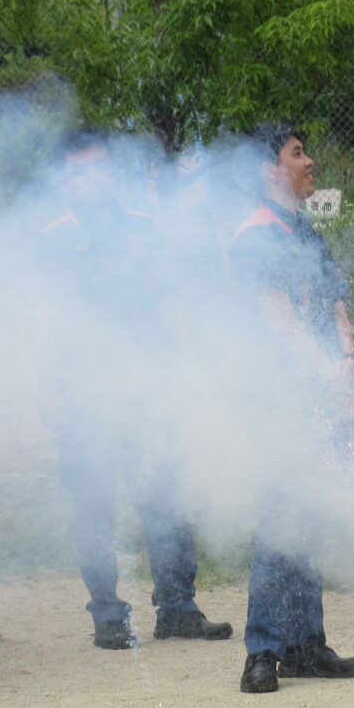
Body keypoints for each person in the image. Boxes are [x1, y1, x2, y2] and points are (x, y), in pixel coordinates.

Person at [39, 129, 231, 650]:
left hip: (148, 388)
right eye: (80, 171)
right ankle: (108, 614)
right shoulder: (52, 239)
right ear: (64, 180)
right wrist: (48, 388)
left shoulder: (145, 229)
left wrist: (189, 368)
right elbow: (41, 322)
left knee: (164, 499)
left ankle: (178, 608)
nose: (92, 179)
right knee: (94, 505)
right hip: (85, 396)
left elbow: (171, 303)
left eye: (100, 167)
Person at [229, 123, 354, 693]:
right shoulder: (254, 235)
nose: (309, 161)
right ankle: (261, 651)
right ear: (269, 170)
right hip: (278, 400)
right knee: (280, 518)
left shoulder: (305, 231)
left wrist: (349, 365)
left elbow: (334, 305)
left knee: (310, 514)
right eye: (297, 153)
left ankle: (306, 646)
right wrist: (328, 373)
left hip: (320, 390)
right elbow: (279, 321)